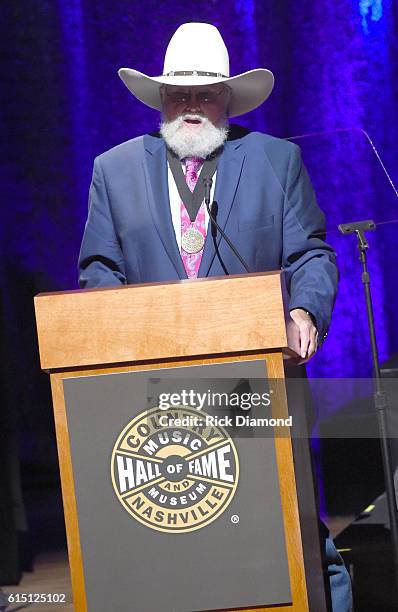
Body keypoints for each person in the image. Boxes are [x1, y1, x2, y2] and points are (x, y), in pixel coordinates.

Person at [78, 22, 352, 611]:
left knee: (291, 532)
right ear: (161, 99)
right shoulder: (115, 169)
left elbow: (310, 254)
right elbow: (99, 269)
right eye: (180, 94)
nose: (192, 107)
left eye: (205, 94)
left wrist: (303, 309)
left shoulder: (275, 160)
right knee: (183, 537)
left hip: (251, 385)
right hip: (153, 397)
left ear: (227, 97)